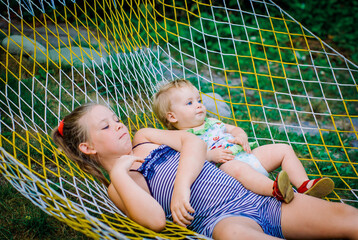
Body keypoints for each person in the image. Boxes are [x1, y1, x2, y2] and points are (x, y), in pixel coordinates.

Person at [52, 103, 358, 239]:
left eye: (116, 119)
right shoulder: (120, 185)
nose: (118, 125)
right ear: (88, 148)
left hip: (256, 196)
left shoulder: (144, 138)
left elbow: (193, 143)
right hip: (221, 221)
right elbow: (156, 221)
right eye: (106, 126)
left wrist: (181, 187)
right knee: (235, 235)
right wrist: (118, 174)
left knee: (346, 219)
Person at [152, 79, 334, 203]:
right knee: (236, 168)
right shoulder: (179, 137)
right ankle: (276, 190)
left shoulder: (212, 122)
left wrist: (241, 136)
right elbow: (186, 159)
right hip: (226, 170)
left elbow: (234, 129)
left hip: (248, 155)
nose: (199, 104)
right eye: (189, 103)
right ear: (172, 116)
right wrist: (210, 155)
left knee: (283, 149)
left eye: (199, 100)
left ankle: (304, 185)